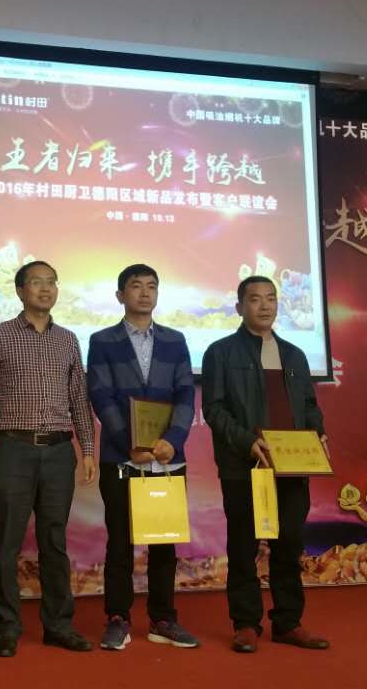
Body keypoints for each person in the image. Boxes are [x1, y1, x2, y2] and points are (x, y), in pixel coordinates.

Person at [200, 275, 330, 654]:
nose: (265, 305)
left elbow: (309, 406)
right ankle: (245, 624)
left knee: (289, 543)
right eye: (255, 299)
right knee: (244, 546)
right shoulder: (220, 352)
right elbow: (214, 409)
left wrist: (318, 435)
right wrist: (248, 442)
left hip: (291, 465)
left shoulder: (295, 354)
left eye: (271, 298)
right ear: (239, 307)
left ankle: (288, 622)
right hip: (245, 467)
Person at [0, 260, 96, 658]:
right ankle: (7, 627)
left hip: (60, 452)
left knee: (54, 542)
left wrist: (87, 449)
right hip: (13, 448)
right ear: (19, 290)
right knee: (7, 543)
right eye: (36, 282)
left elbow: (79, 398)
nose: (45, 289)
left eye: (52, 282)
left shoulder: (68, 339)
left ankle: (58, 625)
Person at [86, 264, 198, 651]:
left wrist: (173, 440)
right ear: (121, 295)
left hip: (167, 459)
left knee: (164, 544)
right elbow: (101, 395)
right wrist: (128, 442)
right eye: (136, 286)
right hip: (121, 458)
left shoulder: (175, 340)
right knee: (120, 542)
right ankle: (118, 618)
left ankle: (163, 620)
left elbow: (186, 393)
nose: (145, 293)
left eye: (152, 286)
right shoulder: (102, 340)